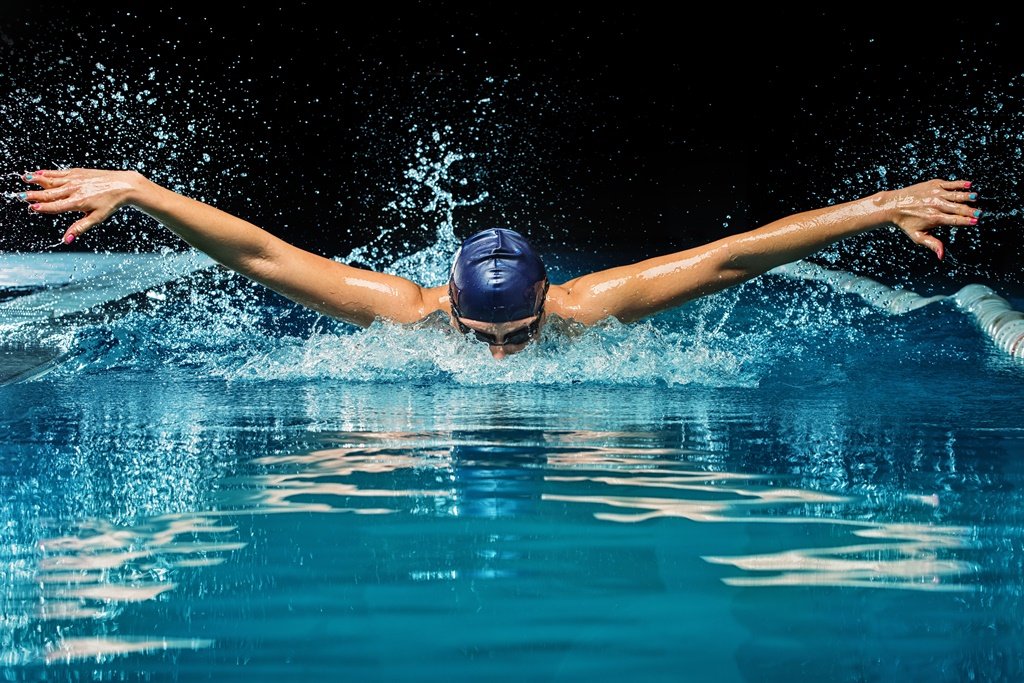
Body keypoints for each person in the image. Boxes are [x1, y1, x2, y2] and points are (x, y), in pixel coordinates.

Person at [17, 168, 981, 359]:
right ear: (446, 301)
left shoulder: (591, 309)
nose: (501, 358)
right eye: (480, 337)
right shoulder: (403, 310)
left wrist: (879, 205)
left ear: (548, 299)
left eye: (518, 334)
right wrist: (140, 188)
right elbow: (264, 254)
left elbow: (732, 257)